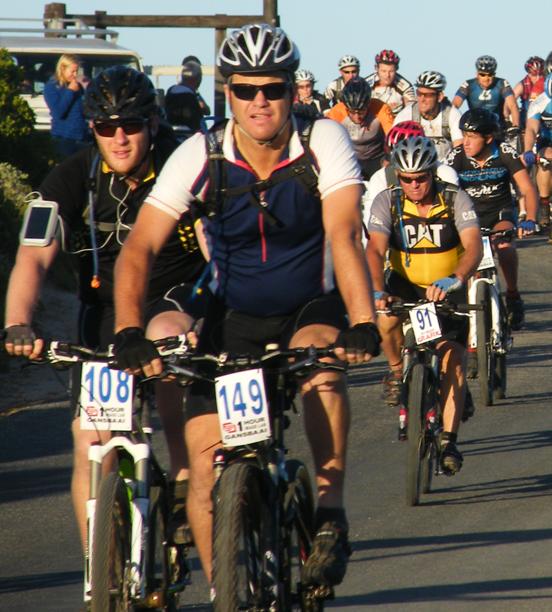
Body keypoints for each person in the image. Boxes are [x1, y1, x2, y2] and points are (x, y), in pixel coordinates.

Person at [111, 23, 381, 598]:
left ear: (292, 90)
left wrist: (362, 321)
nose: (260, 101)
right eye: (245, 89)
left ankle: (330, 511)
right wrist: (128, 330)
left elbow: (343, 234)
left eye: (273, 88)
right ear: (227, 93)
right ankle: (225, 593)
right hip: (229, 316)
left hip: (308, 304)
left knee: (322, 367)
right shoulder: (201, 152)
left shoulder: (322, 140)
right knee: (203, 473)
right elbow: (139, 249)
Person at [3, 66, 208, 552]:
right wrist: (17, 322)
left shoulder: (179, 164)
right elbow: (33, 255)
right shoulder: (73, 175)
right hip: (107, 311)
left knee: (164, 343)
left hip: (173, 297)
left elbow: (215, 245)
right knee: (89, 441)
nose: (119, 137)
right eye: (105, 126)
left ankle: (183, 478)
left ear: (152, 124)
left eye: (131, 125)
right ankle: (101, 572)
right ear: (91, 128)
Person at [366, 136, 483, 472]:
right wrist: (377, 291)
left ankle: (448, 440)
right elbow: (374, 250)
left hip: (447, 287)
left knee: (452, 358)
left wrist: (456, 278)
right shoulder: (387, 202)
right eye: (407, 179)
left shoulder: (455, 198)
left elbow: (473, 246)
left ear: (433, 173)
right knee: (386, 319)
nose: (414, 185)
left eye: (421, 178)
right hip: (405, 285)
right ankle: (396, 371)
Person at [445, 108, 538, 334]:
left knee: (504, 246)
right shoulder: (456, 156)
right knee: (467, 259)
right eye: (463, 135)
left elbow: (527, 188)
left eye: (472, 136)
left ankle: (513, 295)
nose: (465, 142)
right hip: (468, 216)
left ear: (488, 138)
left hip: (500, 213)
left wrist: (530, 218)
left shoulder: (504, 152)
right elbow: (442, 187)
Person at [363, 121, 459, 245]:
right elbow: (370, 220)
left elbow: (457, 215)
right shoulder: (380, 177)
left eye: (422, 178)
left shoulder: (445, 173)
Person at [327, 77, 394, 179]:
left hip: (377, 158)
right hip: (350, 159)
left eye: (362, 111)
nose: (357, 117)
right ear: (345, 107)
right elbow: (328, 140)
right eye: (352, 112)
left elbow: (392, 138)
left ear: (369, 105)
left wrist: (388, 159)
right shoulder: (337, 112)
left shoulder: (381, 108)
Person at [394, 70, 463, 161]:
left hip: (444, 165)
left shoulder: (452, 114)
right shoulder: (406, 115)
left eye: (427, 95)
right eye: (419, 94)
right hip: (414, 165)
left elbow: (459, 149)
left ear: (440, 96)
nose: (422, 99)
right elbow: (395, 148)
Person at [452, 55, 520, 138]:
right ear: (477, 74)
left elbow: (513, 105)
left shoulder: (502, 84)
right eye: (482, 75)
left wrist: (516, 126)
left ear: (494, 74)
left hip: (497, 127)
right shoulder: (468, 85)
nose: (486, 78)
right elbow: (455, 105)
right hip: (475, 128)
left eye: (490, 75)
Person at [43, 53, 89, 157]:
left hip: (82, 136)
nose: (75, 75)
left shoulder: (78, 86)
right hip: (64, 137)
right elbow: (58, 112)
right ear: (63, 68)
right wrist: (70, 91)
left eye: (77, 71)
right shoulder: (51, 87)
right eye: (72, 71)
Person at [523, 73, 552, 235]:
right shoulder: (539, 103)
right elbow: (531, 129)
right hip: (547, 142)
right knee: (545, 160)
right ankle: (544, 203)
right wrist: (528, 150)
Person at [365, 49, 415, 116]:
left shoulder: (405, 86)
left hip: (397, 120)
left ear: (397, 69)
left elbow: (412, 111)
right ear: (376, 68)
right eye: (383, 71)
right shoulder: (365, 84)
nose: (387, 75)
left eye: (391, 71)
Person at [513, 56, 545, 130]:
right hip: (526, 119)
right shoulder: (522, 85)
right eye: (534, 75)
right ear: (529, 74)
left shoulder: (548, 83)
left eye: (541, 74)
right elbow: (510, 103)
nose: (538, 78)